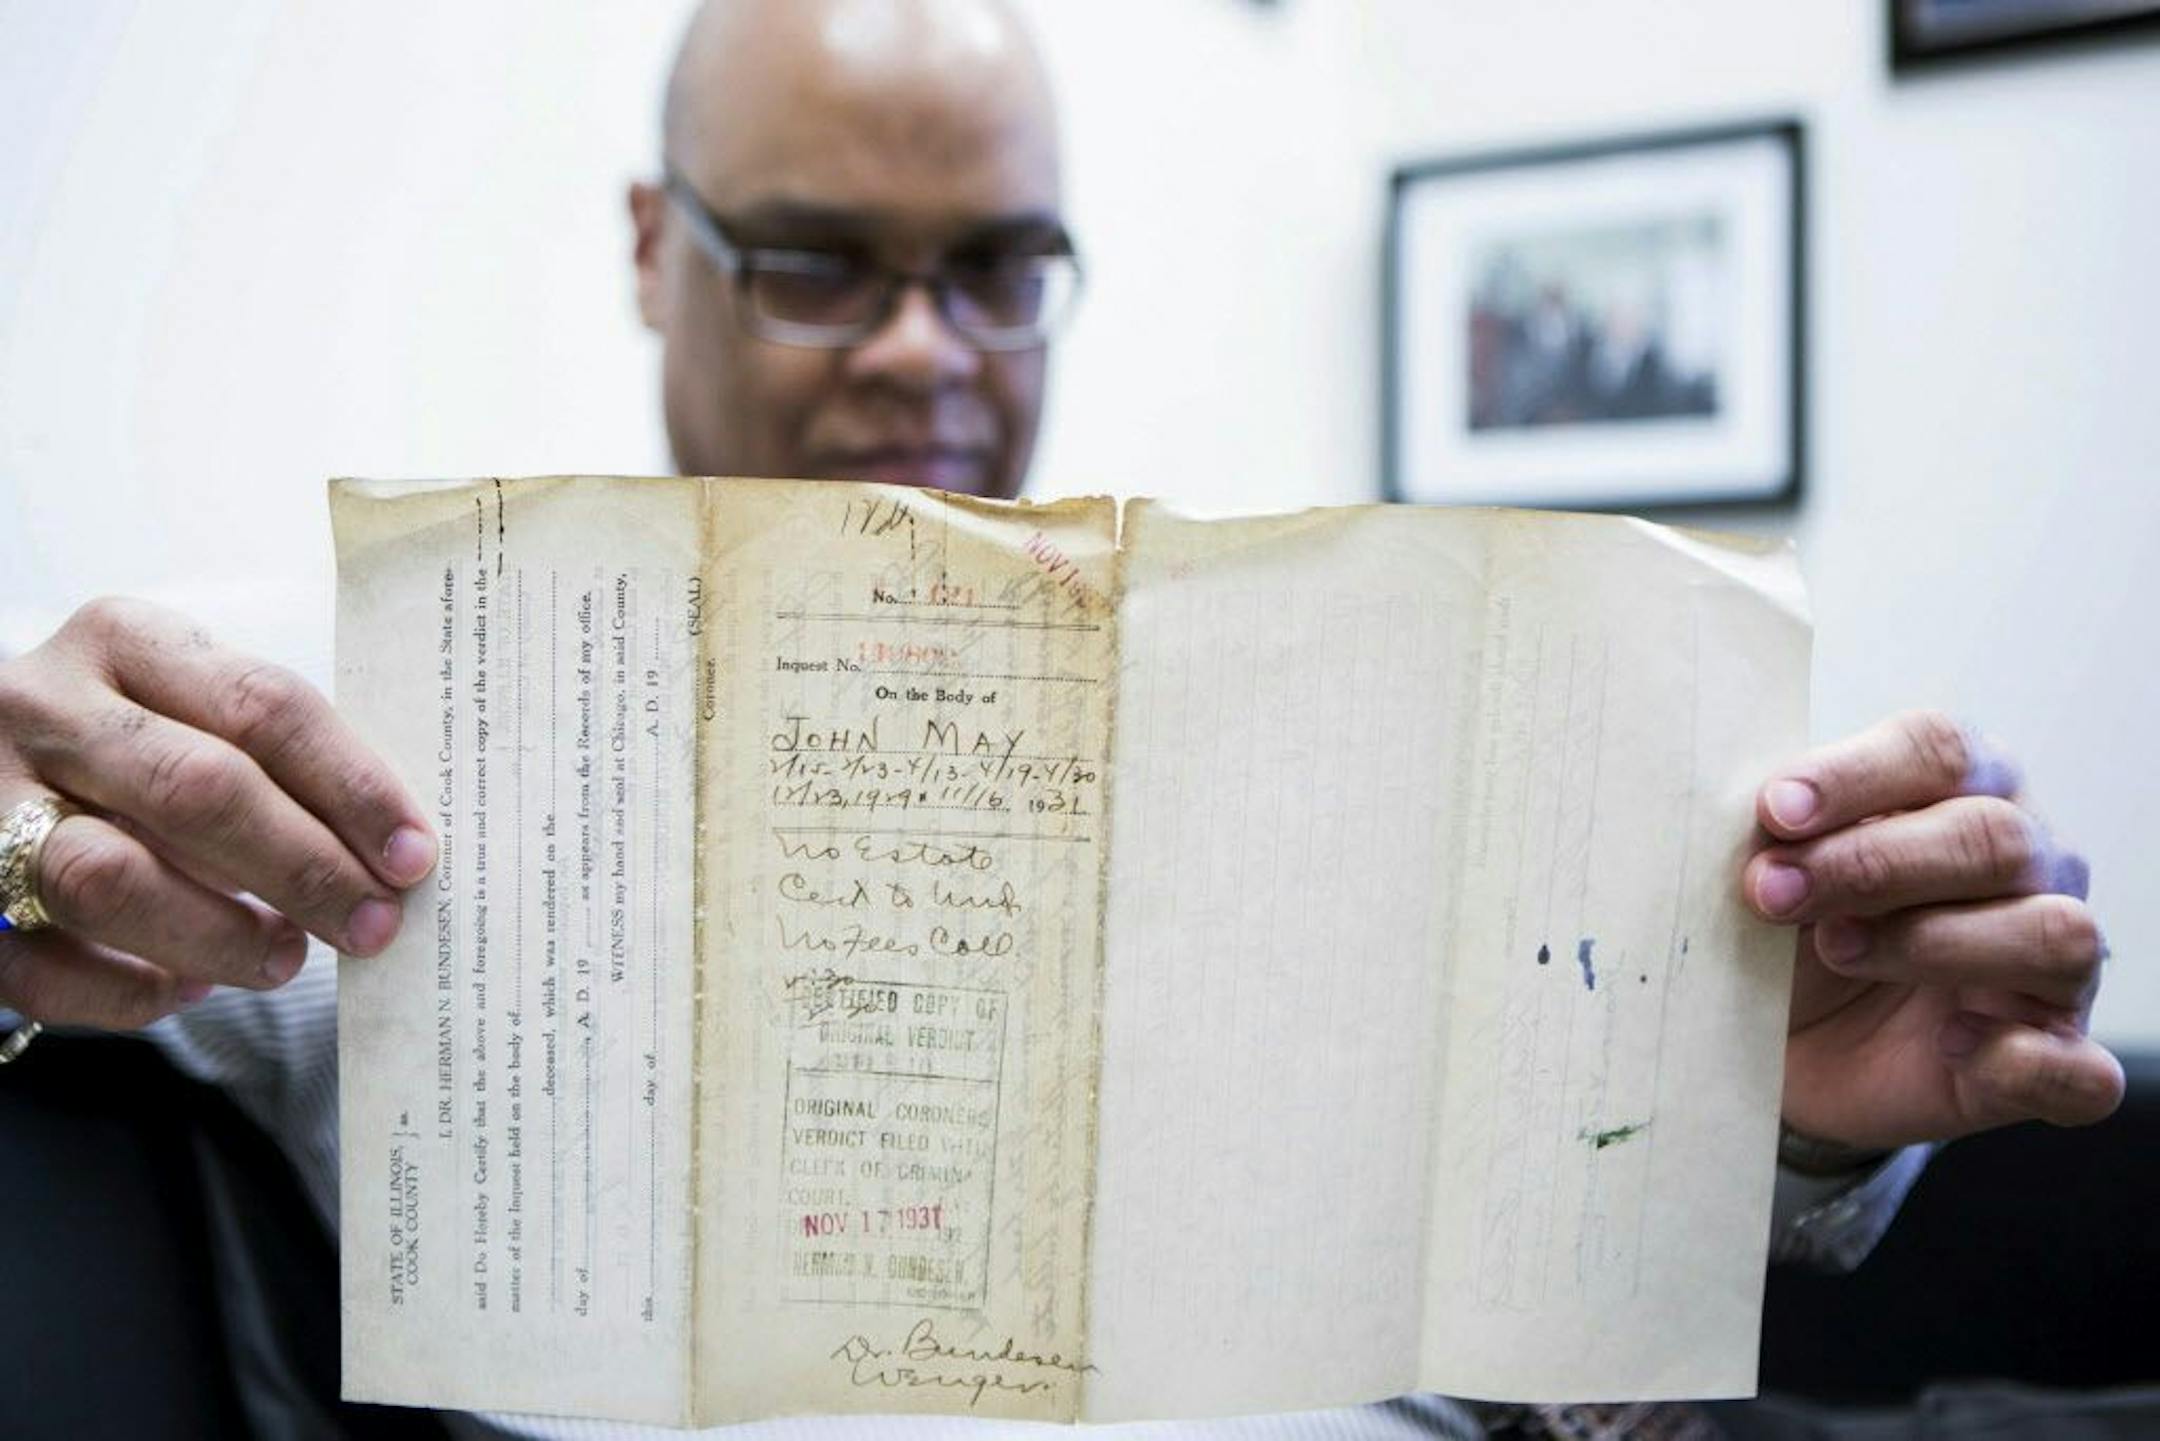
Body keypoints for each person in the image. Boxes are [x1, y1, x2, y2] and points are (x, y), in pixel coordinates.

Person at [0, 0, 2122, 1436]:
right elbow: (71, 945)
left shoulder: (1365, 704)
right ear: (656, 250)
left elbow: (1552, 1335)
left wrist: (1787, 1128)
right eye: (818, 264)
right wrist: (13, 854)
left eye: (1002, 268)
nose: (927, 352)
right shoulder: (370, 713)